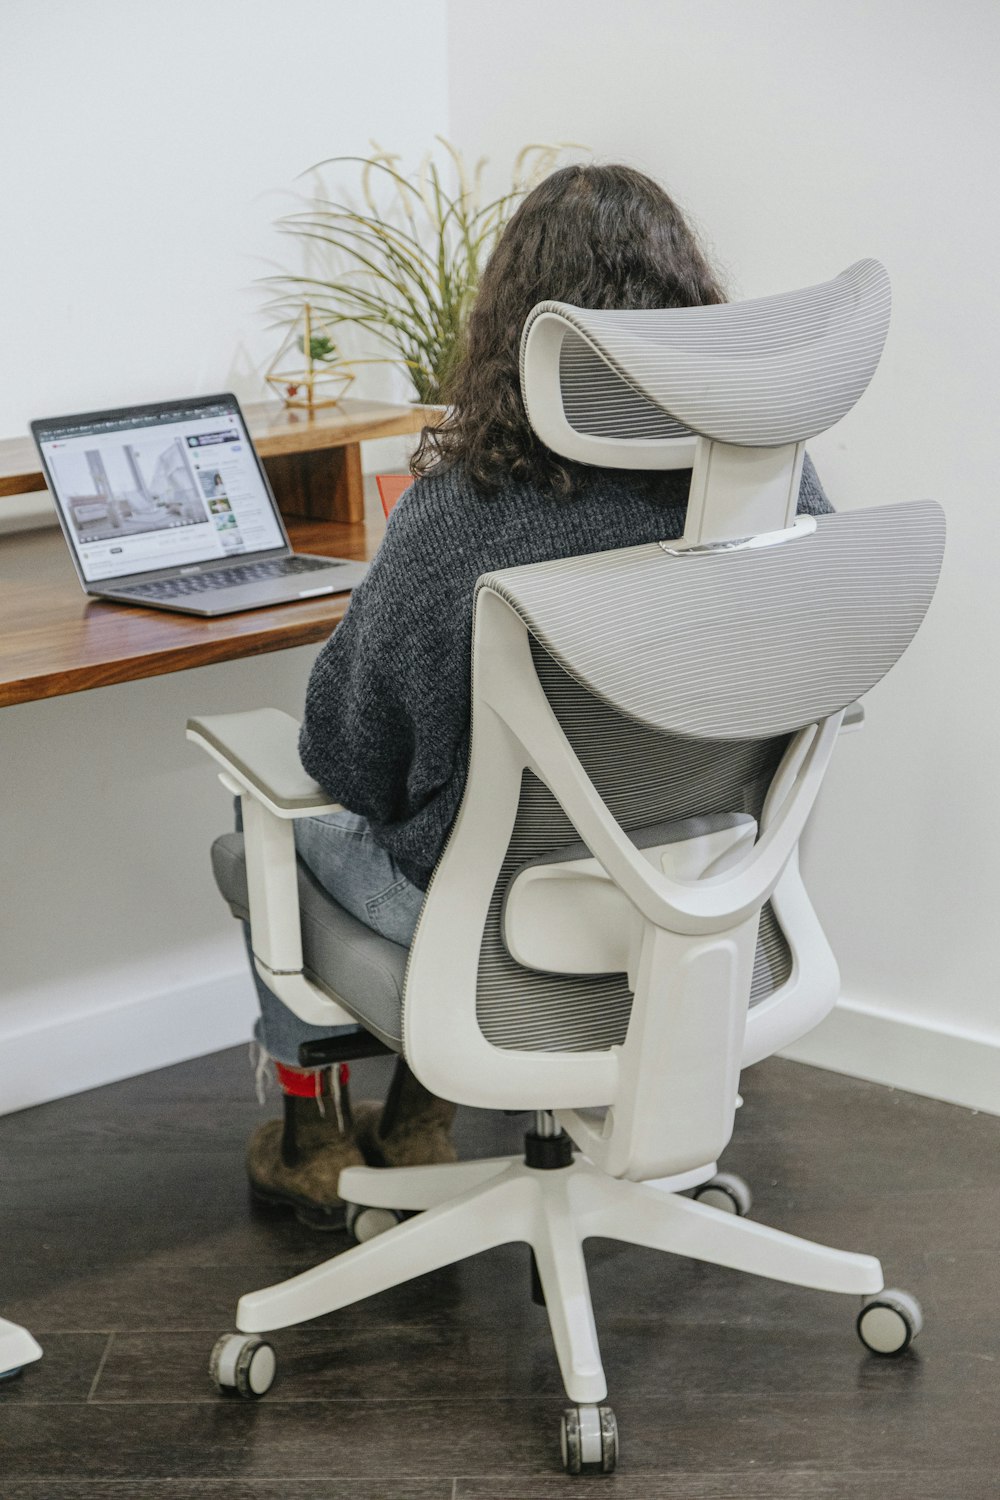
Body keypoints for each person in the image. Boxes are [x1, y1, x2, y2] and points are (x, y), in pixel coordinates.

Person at [244, 163, 833, 1225]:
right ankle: (421, 1116)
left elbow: (350, 758)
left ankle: (310, 1137)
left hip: (504, 938)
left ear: (515, 327)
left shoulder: (460, 509)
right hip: (715, 906)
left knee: (272, 828)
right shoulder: (774, 479)